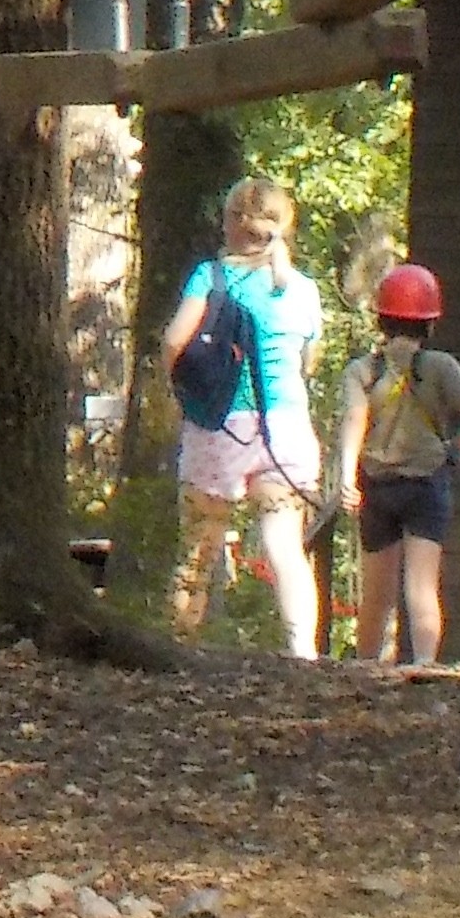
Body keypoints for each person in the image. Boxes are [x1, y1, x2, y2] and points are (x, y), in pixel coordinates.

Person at [160, 173, 331, 655]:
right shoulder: (303, 289)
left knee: (200, 547)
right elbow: (307, 362)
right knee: (285, 548)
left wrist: (178, 391)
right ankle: (303, 654)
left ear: (232, 222)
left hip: (220, 426)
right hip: (286, 428)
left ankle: (181, 649)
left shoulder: (211, 277)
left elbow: (174, 341)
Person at [333, 260, 460, 670]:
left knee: (376, 594)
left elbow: (354, 419)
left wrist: (347, 475)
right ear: (430, 321)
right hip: (426, 486)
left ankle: (365, 668)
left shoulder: (362, 370)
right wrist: (453, 452)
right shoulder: (440, 366)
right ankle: (424, 665)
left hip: (377, 486)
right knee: (421, 587)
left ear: (382, 318)